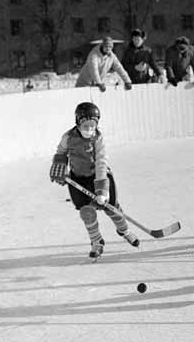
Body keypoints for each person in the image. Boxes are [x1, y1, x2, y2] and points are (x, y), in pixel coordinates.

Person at [49, 102, 141, 258]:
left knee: (111, 208)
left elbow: (101, 162)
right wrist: (59, 164)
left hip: (99, 176)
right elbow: (61, 152)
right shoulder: (68, 137)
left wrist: (102, 190)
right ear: (78, 122)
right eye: (86, 126)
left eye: (93, 125)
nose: (89, 130)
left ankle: (124, 231)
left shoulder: (98, 138)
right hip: (78, 179)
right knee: (86, 212)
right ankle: (97, 242)